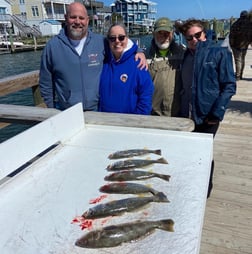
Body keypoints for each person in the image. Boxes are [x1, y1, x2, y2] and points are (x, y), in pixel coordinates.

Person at [39, 2, 147, 111]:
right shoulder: (52, 47)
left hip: (97, 110)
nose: (77, 21)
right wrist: (51, 110)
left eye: (81, 18)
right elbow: (45, 84)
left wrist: (139, 50)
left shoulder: (100, 41)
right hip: (67, 112)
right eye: (73, 17)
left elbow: (119, 43)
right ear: (66, 18)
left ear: (87, 20)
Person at [179, 19, 236, 198]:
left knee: (204, 153)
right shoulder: (185, 55)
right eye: (189, 37)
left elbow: (229, 86)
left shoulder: (219, 52)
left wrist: (217, 112)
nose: (194, 40)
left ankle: (205, 191)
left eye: (197, 35)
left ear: (204, 34)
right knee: (188, 152)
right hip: (186, 114)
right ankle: (190, 185)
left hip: (208, 114)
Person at [99, 23, 154, 115]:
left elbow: (146, 95)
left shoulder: (138, 63)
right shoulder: (103, 63)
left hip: (129, 123)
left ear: (127, 39)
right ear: (108, 41)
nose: (117, 41)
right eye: (112, 38)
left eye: (121, 37)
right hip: (104, 121)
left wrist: (137, 120)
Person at [148, 17, 185, 116]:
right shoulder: (144, 56)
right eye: (160, 33)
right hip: (153, 115)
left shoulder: (183, 54)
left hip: (178, 114)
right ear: (153, 34)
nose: (164, 36)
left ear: (172, 34)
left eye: (167, 33)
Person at [229, 10, 251, 80]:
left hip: (236, 45)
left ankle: (238, 76)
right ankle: (240, 74)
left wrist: (231, 44)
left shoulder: (236, 24)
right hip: (245, 45)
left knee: (238, 60)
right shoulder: (250, 25)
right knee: (242, 59)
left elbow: (231, 35)